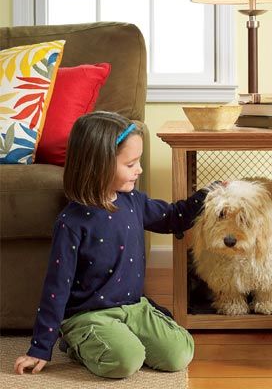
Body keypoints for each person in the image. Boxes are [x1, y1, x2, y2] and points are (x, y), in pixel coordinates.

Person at [14, 111, 210, 378]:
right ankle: (75, 342)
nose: (139, 170)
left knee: (180, 353)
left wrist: (208, 195)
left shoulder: (134, 201)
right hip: (89, 315)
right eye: (131, 164)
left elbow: (173, 218)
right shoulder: (71, 223)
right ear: (99, 166)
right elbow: (56, 288)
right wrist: (40, 347)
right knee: (126, 362)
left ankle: (124, 334)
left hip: (134, 306)